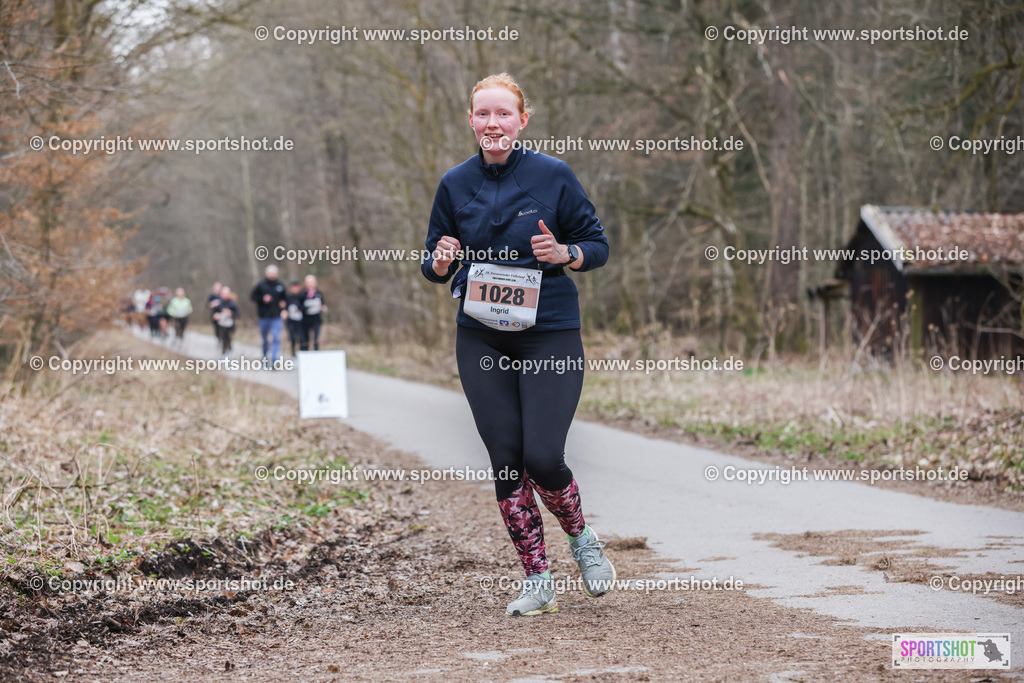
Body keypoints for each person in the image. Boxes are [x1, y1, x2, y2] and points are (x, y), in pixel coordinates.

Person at [421, 73, 614, 617]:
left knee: (542, 456)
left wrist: (565, 255)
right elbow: (432, 260)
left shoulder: (553, 175)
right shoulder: (455, 184)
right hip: (481, 334)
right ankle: (537, 579)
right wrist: (439, 262)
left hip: (549, 330)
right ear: (471, 121)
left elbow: (597, 245)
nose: (492, 124)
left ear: (522, 120)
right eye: (483, 114)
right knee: (507, 462)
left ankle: (581, 538)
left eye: (503, 114)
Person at [251, 265, 286, 365]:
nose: (272, 275)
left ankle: (274, 359)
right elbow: (253, 297)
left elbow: (285, 299)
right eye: (271, 273)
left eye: (274, 273)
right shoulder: (261, 285)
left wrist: (283, 306)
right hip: (264, 317)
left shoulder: (280, 285)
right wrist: (262, 299)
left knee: (275, 338)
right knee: (265, 339)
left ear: (277, 274)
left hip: (276, 316)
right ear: (267, 273)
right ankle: (265, 357)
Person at [299, 274, 327, 351]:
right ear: (306, 283)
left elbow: (322, 304)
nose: (311, 284)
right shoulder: (302, 294)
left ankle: (316, 353)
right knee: (305, 339)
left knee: (316, 338)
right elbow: (299, 307)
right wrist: (308, 307)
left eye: (312, 282)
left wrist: (323, 308)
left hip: (316, 319)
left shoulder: (319, 293)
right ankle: (304, 353)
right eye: (309, 282)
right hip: (305, 320)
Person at [212, 286, 239, 359]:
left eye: (227, 294)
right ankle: (224, 355)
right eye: (224, 293)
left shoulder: (232, 304)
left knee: (229, 339)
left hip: (230, 325)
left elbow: (237, 314)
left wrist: (230, 314)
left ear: (229, 294)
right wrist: (216, 315)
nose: (225, 295)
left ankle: (229, 348)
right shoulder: (218, 303)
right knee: (223, 339)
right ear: (221, 294)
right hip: (221, 325)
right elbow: (214, 313)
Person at [283, 280, 305, 355]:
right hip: (291, 321)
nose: (295, 289)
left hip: (300, 322)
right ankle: (293, 353)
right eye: (293, 287)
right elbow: (284, 307)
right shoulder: (288, 297)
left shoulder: (302, 296)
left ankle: (302, 354)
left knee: (302, 338)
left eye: (296, 287)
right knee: (292, 338)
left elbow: (305, 307)